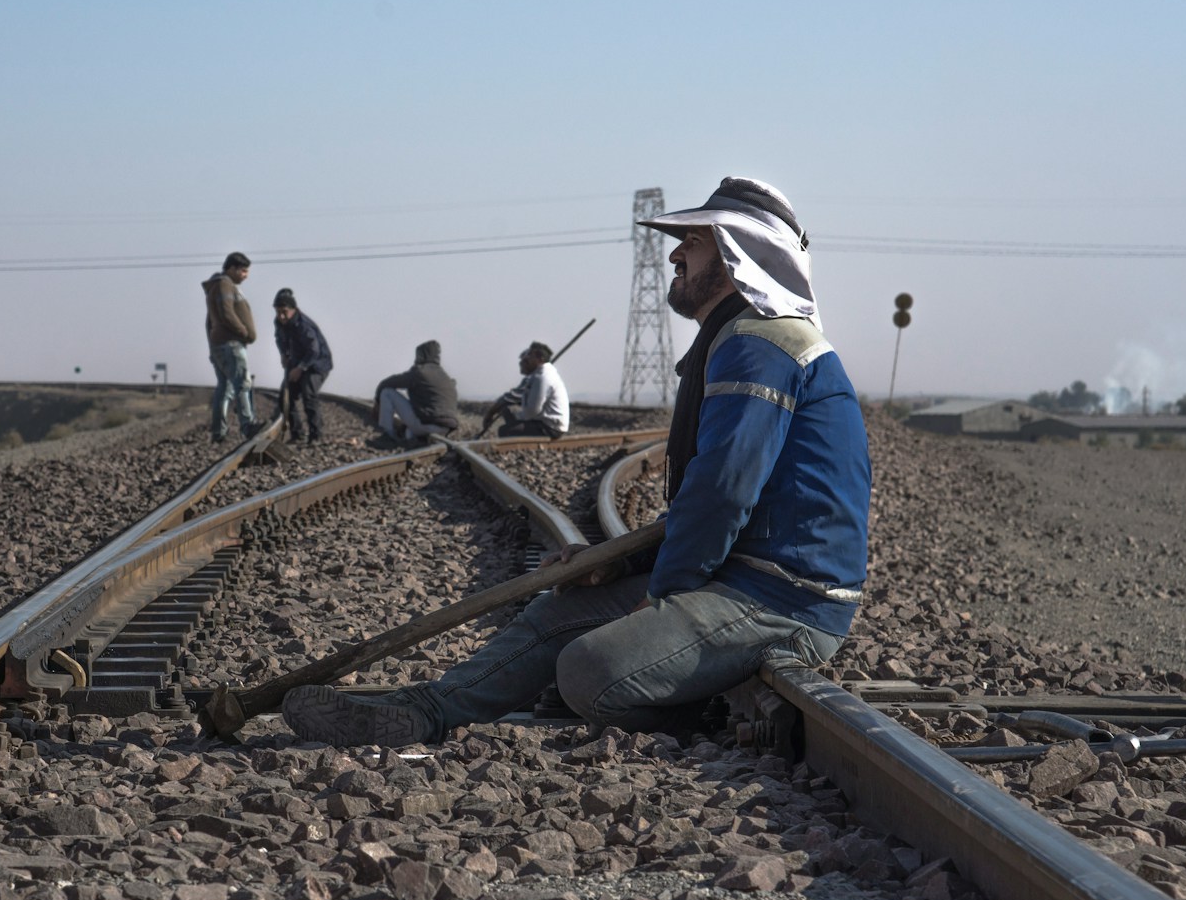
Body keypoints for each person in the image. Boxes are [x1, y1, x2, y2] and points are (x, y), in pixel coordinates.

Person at [282, 177, 871, 747]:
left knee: (587, 670)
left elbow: (721, 492)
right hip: (741, 577)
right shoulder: (737, 339)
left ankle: (698, 707)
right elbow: (712, 500)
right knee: (558, 608)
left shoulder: (760, 343)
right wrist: (619, 563)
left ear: (738, 255)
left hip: (786, 600)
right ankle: (427, 712)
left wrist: (664, 589)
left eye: (692, 243)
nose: (675, 256)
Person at [203, 252, 259, 442]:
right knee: (242, 384)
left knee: (225, 388)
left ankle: (219, 433)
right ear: (231, 268)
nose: (246, 275)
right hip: (230, 344)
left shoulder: (218, 286)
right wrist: (244, 331)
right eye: (243, 271)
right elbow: (227, 314)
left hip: (220, 344)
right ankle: (248, 426)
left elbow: (210, 322)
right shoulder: (224, 284)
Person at [272, 288, 333, 444]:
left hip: (317, 364)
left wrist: (300, 368)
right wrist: (283, 354)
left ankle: (316, 435)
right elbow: (279, 339)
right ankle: (297, 433)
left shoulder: (304, 325)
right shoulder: (279, 322)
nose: (281, 316)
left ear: (294, 310)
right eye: (278, 312)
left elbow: (314, 351)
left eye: (284, 312)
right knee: (284, 397)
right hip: (296, 362)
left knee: (309, 394)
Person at [373, 340, 460, 443]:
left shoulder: (419, 372)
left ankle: (387, 436)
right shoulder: (446, 377)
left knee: (387, 392)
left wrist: (378, 403)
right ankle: (418, 437)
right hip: (445, 429)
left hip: (425, 424)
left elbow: (386, 383)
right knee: (409, 433)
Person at [482, 342, 569, 438]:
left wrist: (518, 416)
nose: (527, 358)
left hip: (550, 427)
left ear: (540, 359)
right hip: (550, 424)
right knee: (508, 416)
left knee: (504, 431)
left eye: (531, 355)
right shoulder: (542, 374)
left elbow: (532, 412)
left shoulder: (542, 377)